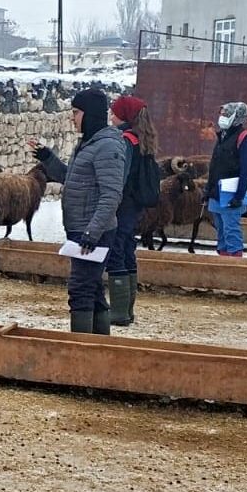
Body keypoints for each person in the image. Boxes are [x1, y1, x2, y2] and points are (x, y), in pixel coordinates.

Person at [30, 87, 129, 334]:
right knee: (92, 288)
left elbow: (111, 194)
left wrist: (92, 232)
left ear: (89, 114)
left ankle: (81, 351)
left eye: (76, 112)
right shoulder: (88, 143)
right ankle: (97, 349)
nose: (72, 118)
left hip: (92, 232)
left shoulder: (107, 146)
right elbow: (70, 177)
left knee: (80, 289)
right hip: (81, 230)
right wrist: (47, 157)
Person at [104, 95, 160, 327]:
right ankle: (127, 310)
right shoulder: (142, 139)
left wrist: (109, 201)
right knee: (127, 250)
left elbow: (121, 175)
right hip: (135, 205)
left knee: (116, 250)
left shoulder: (126, 140)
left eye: (114, 113)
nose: (111, 116)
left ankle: (118, 312)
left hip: (123, 204)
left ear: (124, 116)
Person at [206, 101, 247, 257]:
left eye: (226, 115)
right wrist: (208, 189)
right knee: (221, 231)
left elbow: (245, 169)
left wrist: (239, 196)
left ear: (237, 117)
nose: (222, 117)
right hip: (217, 193)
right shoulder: (222, 136)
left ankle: (234, 266)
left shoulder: (244, 138)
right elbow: (215, 165)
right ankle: (223, 262)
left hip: (231, 193)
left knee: (231, 231)